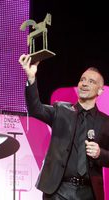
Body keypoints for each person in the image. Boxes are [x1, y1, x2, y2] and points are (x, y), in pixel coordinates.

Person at [19, 54, 109, 200]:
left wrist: (100, 153)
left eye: (91, 81)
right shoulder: (61, 111)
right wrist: (31, 78)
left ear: (100, 90)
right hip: (58, 191)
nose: (84, 84)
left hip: (89, 192)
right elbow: (35, 109)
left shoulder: (106, 122)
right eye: (82, 80)